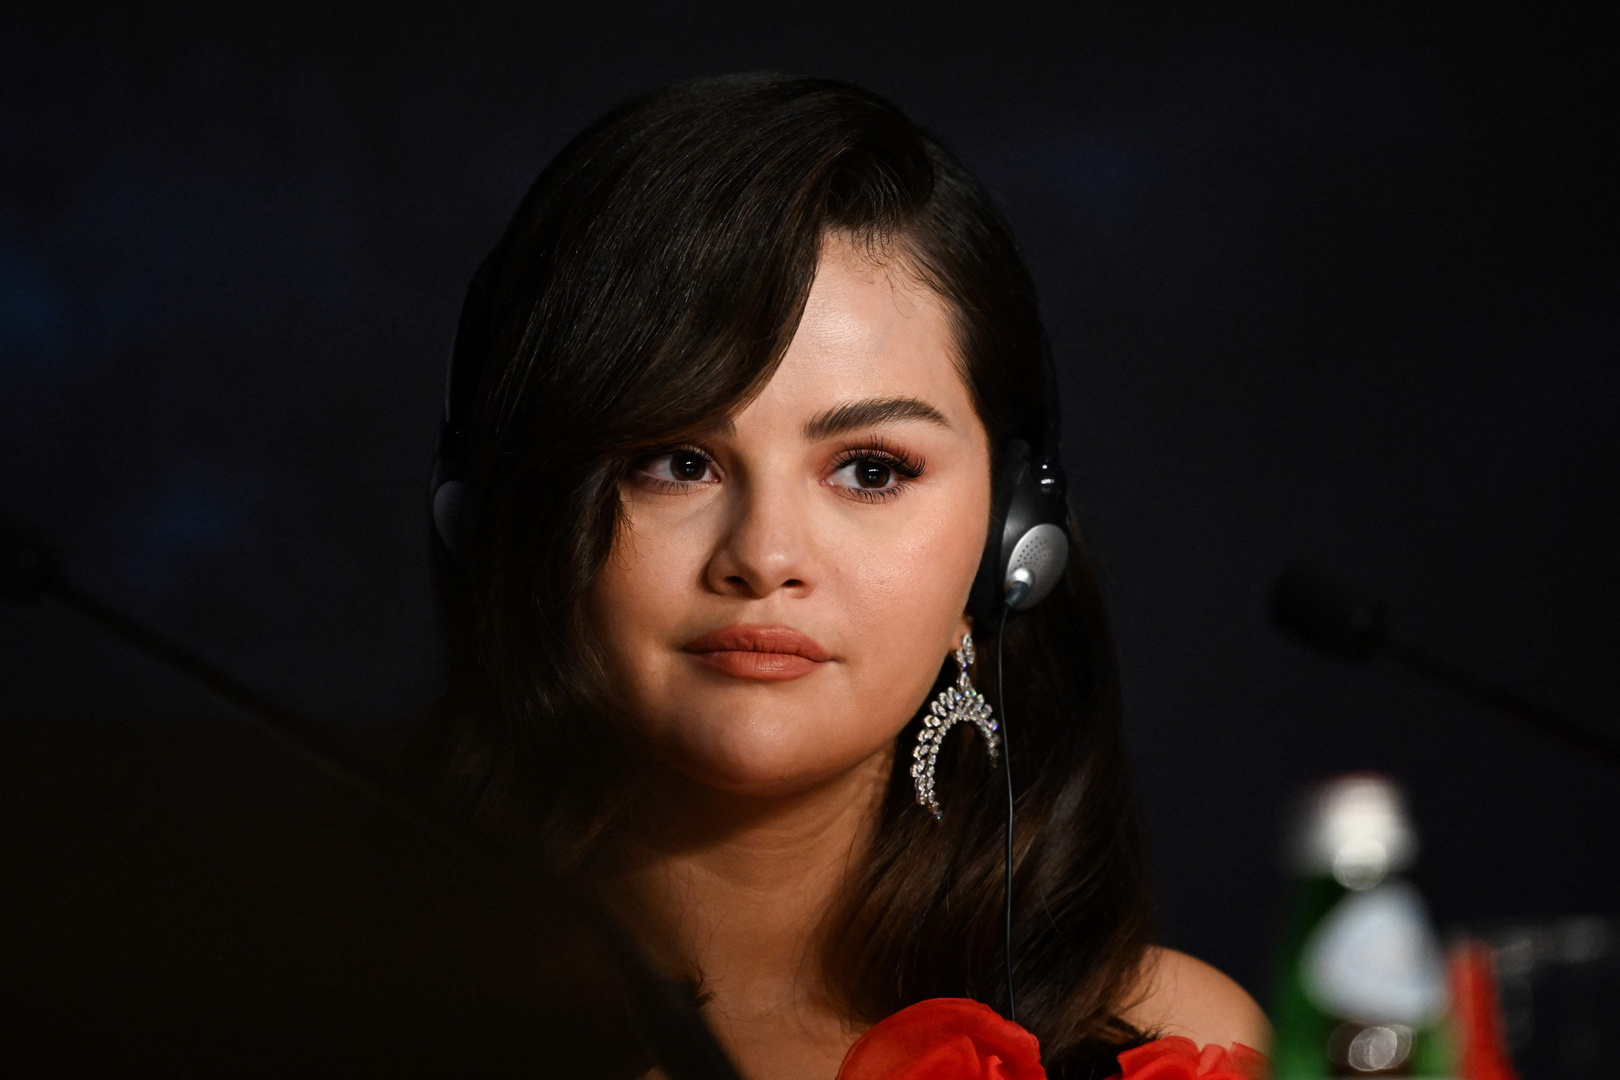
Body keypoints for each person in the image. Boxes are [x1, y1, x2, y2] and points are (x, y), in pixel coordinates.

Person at [416, 73, 1268, 1080]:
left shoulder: (1165, 1045)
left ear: (1009, 546)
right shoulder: (309, 1002)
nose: (765, 556)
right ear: (501, 519)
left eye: (871, 471)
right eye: (676, 461)